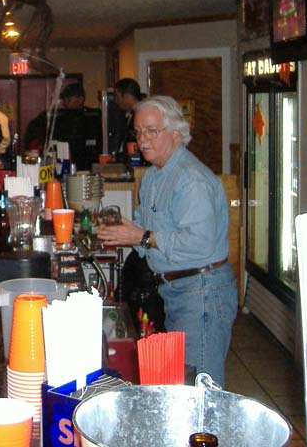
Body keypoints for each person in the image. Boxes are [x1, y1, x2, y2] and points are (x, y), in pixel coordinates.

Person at [96, 95, 237, 385]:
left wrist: (141, 236)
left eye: (151, 131)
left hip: (202, 292)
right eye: (138, 132)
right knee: (180, 383)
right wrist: (126, 232)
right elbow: (149, 234)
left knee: (201, 389)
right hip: (176, 291)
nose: (142, 140)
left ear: (175, 133)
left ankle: (206, 432)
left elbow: (199, 243)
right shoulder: (153, 177)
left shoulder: (191, 180)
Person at [24, 83, 101, 171]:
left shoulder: (92, 117)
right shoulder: (57, 116)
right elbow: (33, 129)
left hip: (87, 166)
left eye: (68, 99)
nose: (64, 102)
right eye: (64, 99)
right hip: (61, 165)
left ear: (81, 99)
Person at [113, 78, 143, 153]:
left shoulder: (141, 116)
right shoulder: (127, 115)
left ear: (127, 96)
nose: (116, 101)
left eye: (117, 97)